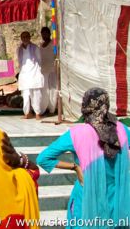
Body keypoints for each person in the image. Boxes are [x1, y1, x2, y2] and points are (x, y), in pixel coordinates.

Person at [36, 88, 130, 228]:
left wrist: (75, 167)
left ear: (85, 106)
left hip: (87, 199)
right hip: (116, 200)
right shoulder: (123, 130)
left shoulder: (76, 134)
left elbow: (43, 158)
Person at [17, 31, 44, 119]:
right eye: (23, 37)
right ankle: (27, 113)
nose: (25, 38)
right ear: (21, 38)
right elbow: (19, 62)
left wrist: (36, 70)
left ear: (29, 38)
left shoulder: (35, 48)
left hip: (34, 73)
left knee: (36, 94)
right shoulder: (19, 49)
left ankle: (37, 113)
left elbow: (39, 60)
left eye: (26, 36)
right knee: (25, 95)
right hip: (24, 75)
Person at [39, 27, 57, 114]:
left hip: (51, 70)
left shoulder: (53, 44)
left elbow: (56, 55)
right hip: (43, 70)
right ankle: (44, 107)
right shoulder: (41, 45)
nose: (44, 35)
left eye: (46, 33)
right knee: (44, 90)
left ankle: (52, 109)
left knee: (52, 89)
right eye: (43, 33)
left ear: (49, 34)